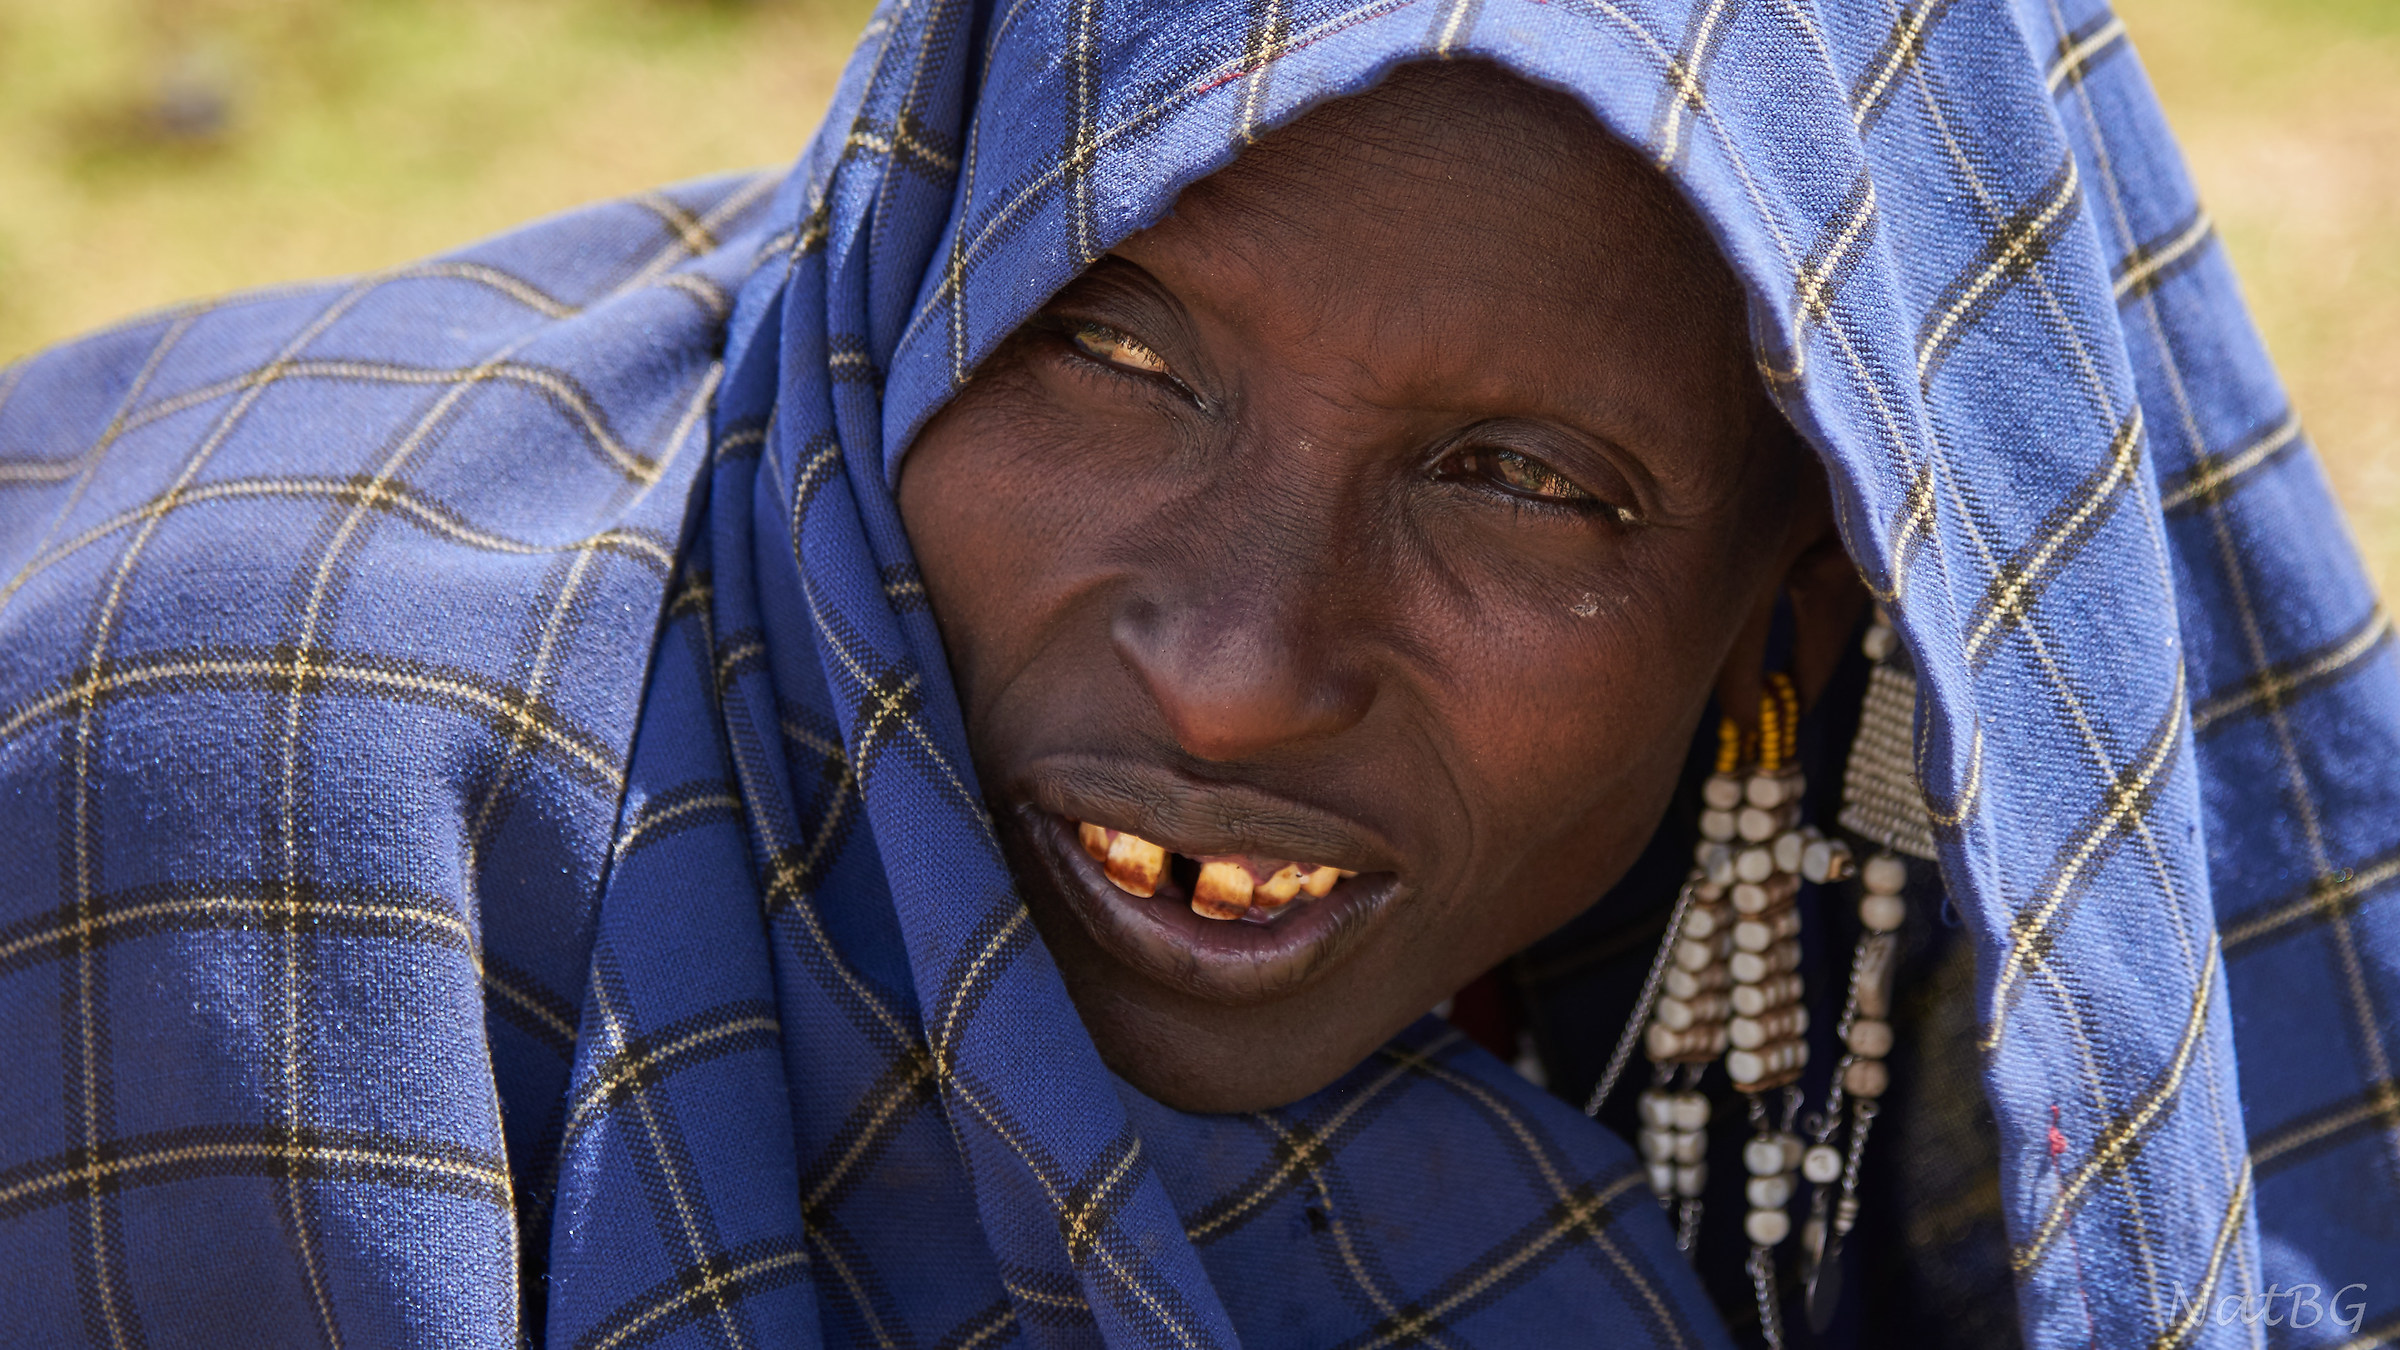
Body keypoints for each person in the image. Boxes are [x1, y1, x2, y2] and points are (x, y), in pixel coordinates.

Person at [0, 1, 2390, 1348]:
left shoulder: (1842, 908)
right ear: (919, 286)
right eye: (1114, 353)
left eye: (1525, 485)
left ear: (1821, 592)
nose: (1240, 679)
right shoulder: (276, 814)